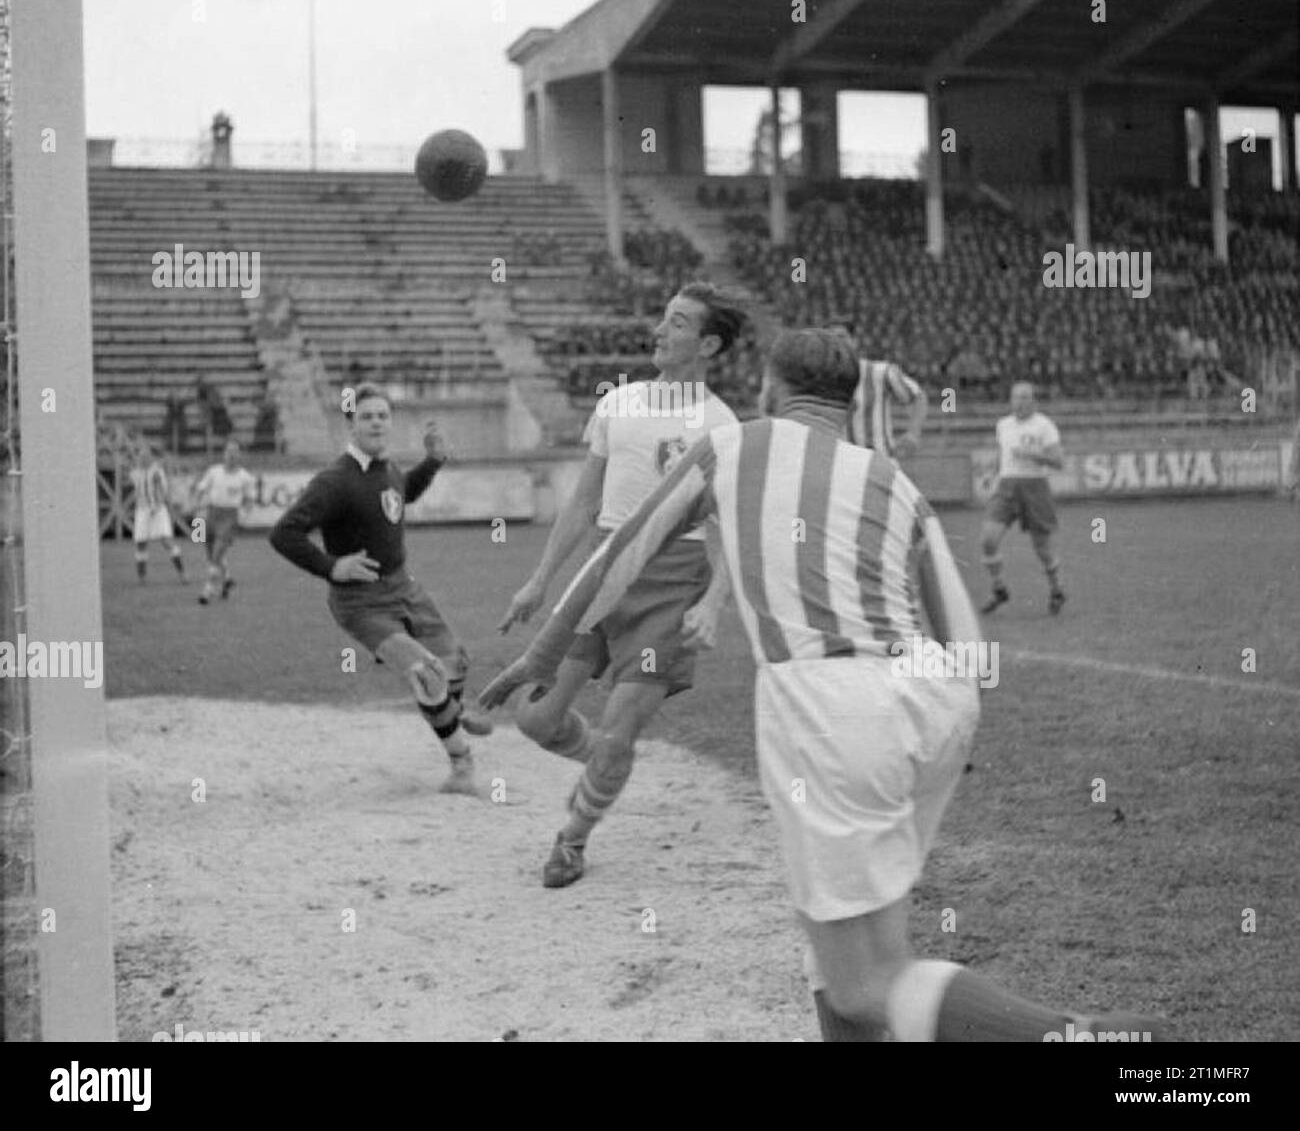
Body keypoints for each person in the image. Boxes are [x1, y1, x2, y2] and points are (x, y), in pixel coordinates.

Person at [483, 329, 1166, 1042]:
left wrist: (540, 655)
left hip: (828, 704)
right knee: (837, 942)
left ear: (772, 389)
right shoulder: (891, 477)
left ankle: (1072, 1035)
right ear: (847, 403)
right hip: (937, 700)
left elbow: (621, 552)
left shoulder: (733, 445)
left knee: (866, 983)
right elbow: (965, 634)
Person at [493, 283, 746, 887]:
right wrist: (537, 582)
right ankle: (608, 766)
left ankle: (571, 840)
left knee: (618, 726)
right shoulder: (618, 404)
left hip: (671, 585)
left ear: (708, 344)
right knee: (536, 721)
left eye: (678, 323)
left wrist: (713, 605)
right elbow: (583, 503)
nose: (660, 330)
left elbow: (732, 528)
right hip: (602, 578)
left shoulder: (721, 425)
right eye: (663, 318)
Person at [269, 383, 491, 794]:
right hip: (361, 603)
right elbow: (284, 534)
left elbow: (399, 496)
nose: (376, 422)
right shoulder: (334, 481)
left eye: (383, 416)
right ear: (350, 424)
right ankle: (461, 764)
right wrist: (332, 566)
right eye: (367, 416)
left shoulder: (385, 468)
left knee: (455, 661)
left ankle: (452, 711)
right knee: (426, 672)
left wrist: (434, 462)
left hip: (404, 586)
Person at [979, 381, 1066, 615]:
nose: (1020, 402)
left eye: (1025, 397)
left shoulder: (1044, 426)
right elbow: (1002, 455)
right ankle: (999, 589)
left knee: (1042, 548)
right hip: (1007, 486)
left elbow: (1058, 461)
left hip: (1034, 487)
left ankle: (1056, 589)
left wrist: (1032, 454)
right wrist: (991, 474)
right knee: (988, 539)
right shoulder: (1003, 425)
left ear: (1034, 401)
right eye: (1016, 397)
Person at [192, 439, 258, 604]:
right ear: (224, 454)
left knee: (217, 553)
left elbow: (250, 500)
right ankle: (227, 579)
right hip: (211, 513)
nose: (231, 455)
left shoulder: (245, 477)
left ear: (239, 455)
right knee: (210, 554)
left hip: (230, 517)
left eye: (235, 451)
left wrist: (243, 515)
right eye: (228, 451)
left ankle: (208, 590)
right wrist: (196, 505)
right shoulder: (213, 471)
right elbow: (201, 489)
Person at [847, 352, 927, 460]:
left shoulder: (878, 372)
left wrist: (913, 434)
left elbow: (918, 396)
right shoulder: (821, 378)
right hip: (841, 465)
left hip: (881, 462)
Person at [128, 445, 186, 584]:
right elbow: (136, 488)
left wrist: (159, 504)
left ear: (151, 458)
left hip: (158, 510)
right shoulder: (135, 473)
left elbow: (163, 490)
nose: (143, 459)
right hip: (142, 510)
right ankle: (142, 577)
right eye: (141, 456)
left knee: (166, 541)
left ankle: (182, 574)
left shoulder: (157, 472)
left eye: (146, 456)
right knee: (140, 543)